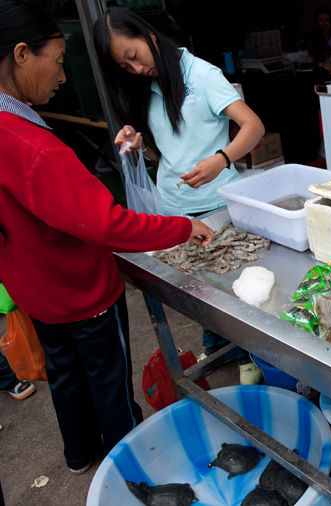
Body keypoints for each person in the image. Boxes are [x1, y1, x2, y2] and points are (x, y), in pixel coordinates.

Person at [0, 0, 215, 474]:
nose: (61, 76)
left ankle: (79, 455)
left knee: (65, 376)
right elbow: (106, 223)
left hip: (37, 291)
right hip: (81, 292)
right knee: (108, 380)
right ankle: (133, 467)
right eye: (56, 62)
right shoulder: (29, 143)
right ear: (20, 55)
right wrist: (181, 227)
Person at [93, 7, 265, 384]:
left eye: (134, 57)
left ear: (149, 35)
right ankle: (215, 344)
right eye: (125, 67)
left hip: (218, 207)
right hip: (174, 213)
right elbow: (166, 153)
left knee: (233, 289)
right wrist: (137, 145)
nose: (136, 70)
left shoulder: (202, 74)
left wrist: (222, 159)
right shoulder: (146, 87)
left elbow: (254, 125)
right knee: (198, 291)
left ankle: (247, 353)